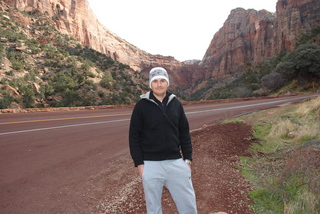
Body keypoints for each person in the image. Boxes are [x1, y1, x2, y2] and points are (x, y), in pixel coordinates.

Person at [129, 67, 197, 214]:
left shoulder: (176, 104)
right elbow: (134, 136)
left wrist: (188, 160)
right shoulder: (141, 106)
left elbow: (184, 133)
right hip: (150, 164)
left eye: (162, 81)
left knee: (188, 204)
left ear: (167, 83)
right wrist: (139, 164)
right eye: (155, 81)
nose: (159, 84)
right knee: (153, 208)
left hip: (176, 162)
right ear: (150, 84)